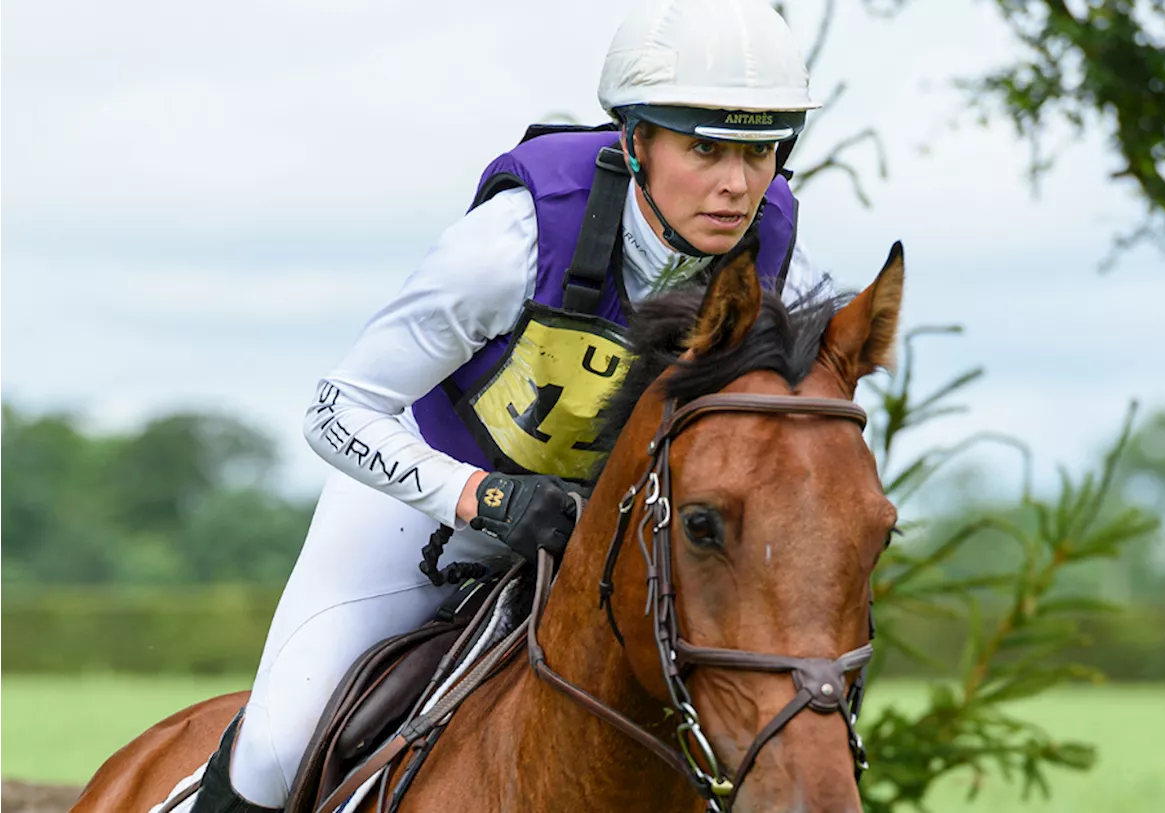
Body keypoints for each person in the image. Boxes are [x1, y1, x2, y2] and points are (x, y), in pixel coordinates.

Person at [191, 0, 833, 810]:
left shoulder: (785, 270)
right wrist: (479, 495)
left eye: (760, 150)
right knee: (278, 749)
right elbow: (336, 410)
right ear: (635, 140)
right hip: (417, 512)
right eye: (703, 147)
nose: (737, 185)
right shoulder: (518, 238)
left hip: (602, 552)